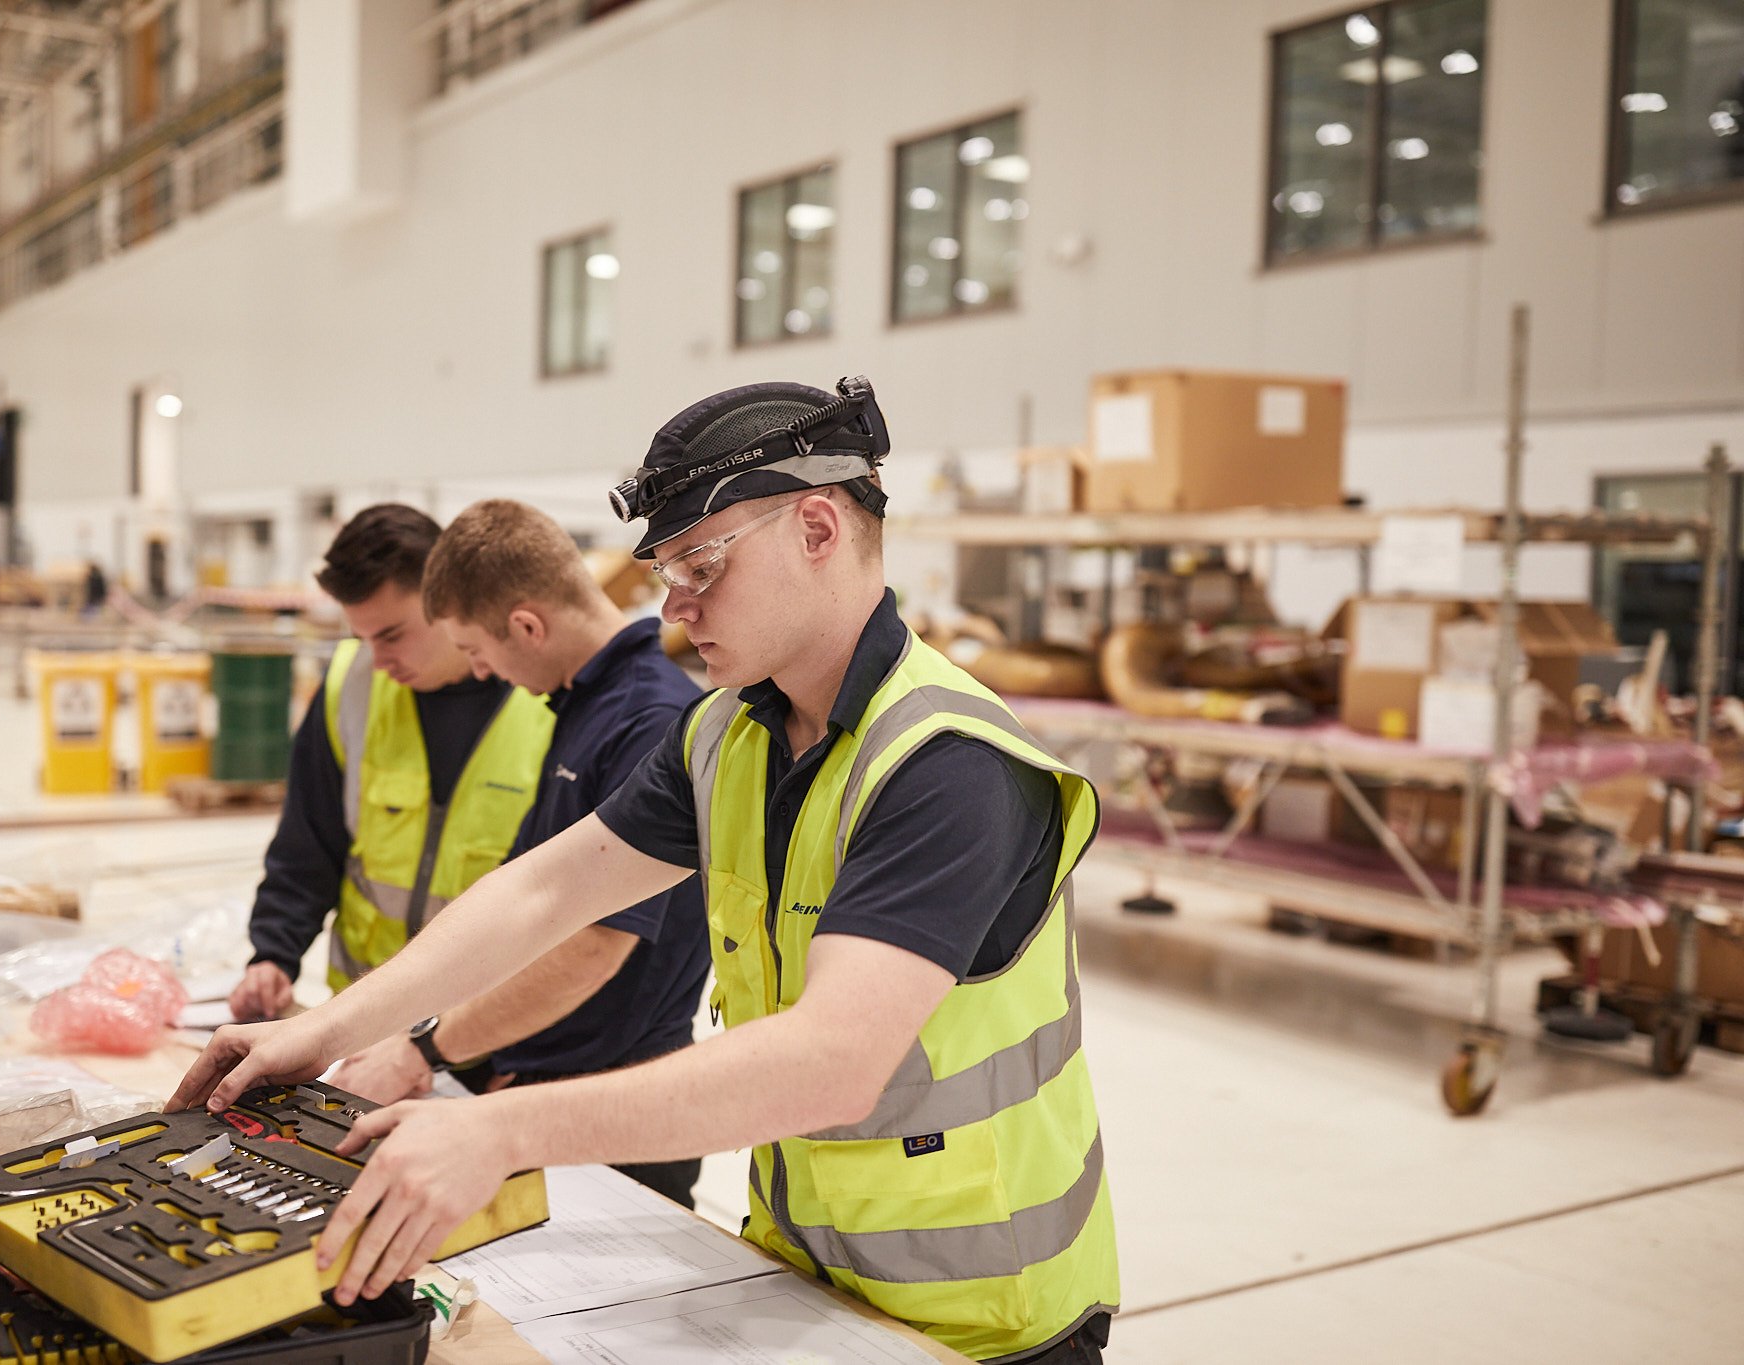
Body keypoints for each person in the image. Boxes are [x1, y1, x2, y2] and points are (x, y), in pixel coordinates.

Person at [174, 378, 1118, 1364]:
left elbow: (833, 1063)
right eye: (667, 571)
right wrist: (321, 1032)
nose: (674, 604)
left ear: (816, 528)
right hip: (811, 1279)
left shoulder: (948, 764)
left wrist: (499, 1132)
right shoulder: (725, 734)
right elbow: (543, 893)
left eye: (702, 564)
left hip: (986, 1322)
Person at [332, 497, 710, 1207]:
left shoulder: (648, 720)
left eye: (478, 651)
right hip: (544, 1082)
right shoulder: (585, 706)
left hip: (614, 1114)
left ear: (528, 626)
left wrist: (425, 1050)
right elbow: (528, 906)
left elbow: (594, 947)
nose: (480, 673)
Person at [226, 504, 553, 1021]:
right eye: (362, 638)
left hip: (486, 1030)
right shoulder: (350, 687)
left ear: (451, 599)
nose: (377, 661)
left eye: (391, 635)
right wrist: (274, 954)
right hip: (362, 1022)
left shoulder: (546, 699)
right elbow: (307, 843)